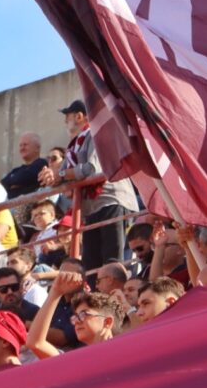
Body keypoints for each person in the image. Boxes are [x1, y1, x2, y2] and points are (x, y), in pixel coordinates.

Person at [38, 99, 139, 272]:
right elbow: (63, 176)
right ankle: (98, 297)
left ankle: (114, 296)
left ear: (79, 116)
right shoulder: (73, 148)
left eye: (67, 116)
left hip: (111, 202)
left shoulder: (97, 134)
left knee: (112, 260)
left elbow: (92, 169)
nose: (64, 121)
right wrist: (51, 177)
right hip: (91, 210)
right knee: (91, 266)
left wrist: (60, 174)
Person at [27, 273, 123, 360]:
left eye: (83, 315)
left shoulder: (125, 355)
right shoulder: (76, 359)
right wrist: (55, 292)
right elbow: (36, 343)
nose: (77, 321)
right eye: (75, 317)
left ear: (107, 322)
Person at [1, 132, 48, 199]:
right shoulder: (16, 170)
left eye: (25, 145)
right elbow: (2, 185)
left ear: (37, 148)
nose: (22, 148)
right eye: (20, 145)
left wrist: (13, 184)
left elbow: (23, 178)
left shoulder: (41, 164)